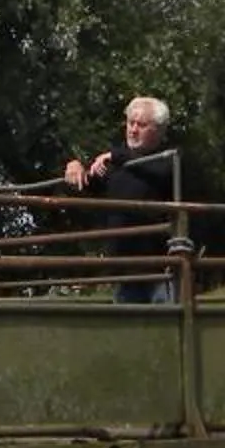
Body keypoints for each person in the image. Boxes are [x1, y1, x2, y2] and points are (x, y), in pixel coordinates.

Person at [63, 95, 181, 303]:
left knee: (167, 330)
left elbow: (163, 173)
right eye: (130, 122)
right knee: (130, 331)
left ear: (160, 130)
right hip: (125, 270)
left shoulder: (170, 157)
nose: (133, 129)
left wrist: (115, 156)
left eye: (142, 125)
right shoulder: (113, 162)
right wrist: (73, 165)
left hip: (162, 269)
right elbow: (85, 184)